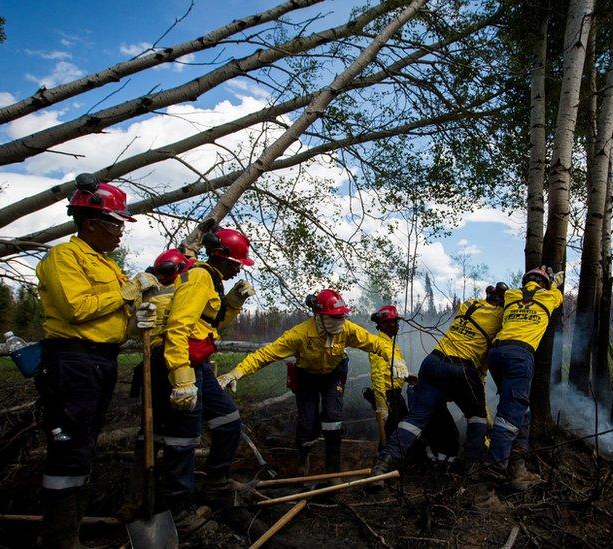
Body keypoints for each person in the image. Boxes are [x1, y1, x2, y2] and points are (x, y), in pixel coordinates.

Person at [35, 173, 157, 548]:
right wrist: (125, 293)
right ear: (91, 223)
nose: (121, 231)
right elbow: (76, 308)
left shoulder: (105, 263)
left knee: (85, 445)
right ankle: (59, 539)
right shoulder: (64, 257)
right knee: (69, 447)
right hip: (72, 360)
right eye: (115, 223)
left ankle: (69, 533)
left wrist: (138, 318)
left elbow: (113, 314)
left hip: (100, 361)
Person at [217, 289, 395, 477]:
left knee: (333, 418)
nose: (339, 322)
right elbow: (265, 355)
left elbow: (376, 343)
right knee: (307, 422)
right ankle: (304, 461)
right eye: (334, 317)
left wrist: (394, 359)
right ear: (318, 316)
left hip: (333, 374)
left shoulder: (348, 328)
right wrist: (237, 373)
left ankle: (332, 470)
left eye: (342, 316)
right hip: (307, 376)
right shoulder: (299, 334)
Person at [148, 228, 256, 516]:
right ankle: (178, 509)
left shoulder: (213, 281)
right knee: (183, 437)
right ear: (223, 259)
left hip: (199, 362)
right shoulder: (198, 278)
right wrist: (181, 376)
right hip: (180, 361)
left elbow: (210, 327)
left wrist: (232, 304)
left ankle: (216, 483)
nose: (238, 270)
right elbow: (177, 328)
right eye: (236, 264)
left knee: (228, 420)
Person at [371, 282, 508, 475]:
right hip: (462, 367)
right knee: (477, 417)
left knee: (414, 420)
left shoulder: (468, 305)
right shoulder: (500, 316)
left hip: (433, 362)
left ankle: (383, 463)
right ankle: (472, 465)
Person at [485, 266, 564, 491]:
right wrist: (554, 282)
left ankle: (518, 469)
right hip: (519, 355)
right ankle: (489, 482)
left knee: (522, 411)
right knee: (509, 416)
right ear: (544, 283)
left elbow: (509, 293)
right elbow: (556, 293)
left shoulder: (511, 295)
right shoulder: (551, 296)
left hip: (496, 354)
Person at [362, 305, 410, 444]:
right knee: (392, 435)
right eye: (392, 322)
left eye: (396, 322)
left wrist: (407, 377)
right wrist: (382, 405)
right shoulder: (378, 344)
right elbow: (377, 376)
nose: (396, 325)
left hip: (395, 394)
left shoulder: (391, 344)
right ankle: (384, 463)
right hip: (389, 396)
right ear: (382, 325)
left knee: (400, 432)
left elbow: (391, 370)